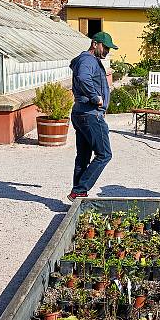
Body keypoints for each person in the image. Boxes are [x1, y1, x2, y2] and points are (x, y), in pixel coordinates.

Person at [67, 31, 118, 201]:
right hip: (90, 114)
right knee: (104, 154)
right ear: (95, 44)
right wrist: (95, 97)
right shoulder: (88, 60)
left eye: (109, 49)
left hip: (81, 113)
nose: (107, 52)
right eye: (105, 48)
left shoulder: (86, 60)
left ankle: (78, 194)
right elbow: (83, 77)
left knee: (83, 156)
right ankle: (80, 189)